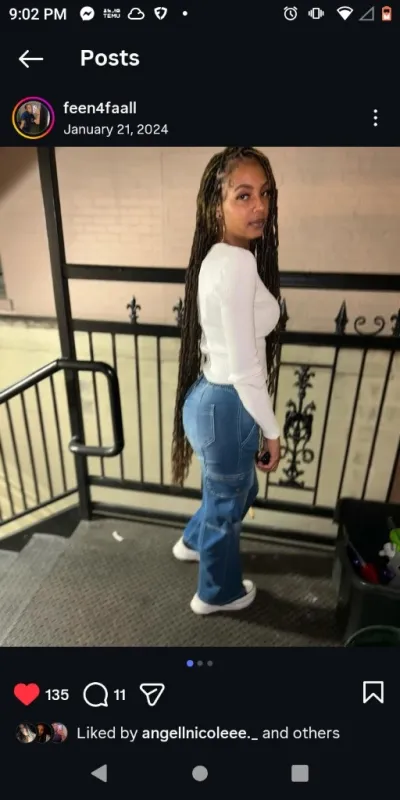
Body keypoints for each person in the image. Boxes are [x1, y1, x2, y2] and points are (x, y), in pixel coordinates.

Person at [171, 146, 282, 615]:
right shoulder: (237, 263)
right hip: (228, 403)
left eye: (265, 194)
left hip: (207, 400)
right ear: (216, 205)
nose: (260, 206)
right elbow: (245, 368)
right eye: (244, 195)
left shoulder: (218, 257)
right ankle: (216, 593)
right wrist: (272, 432)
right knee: (227, 504)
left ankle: (193, 542)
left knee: (232, 492)